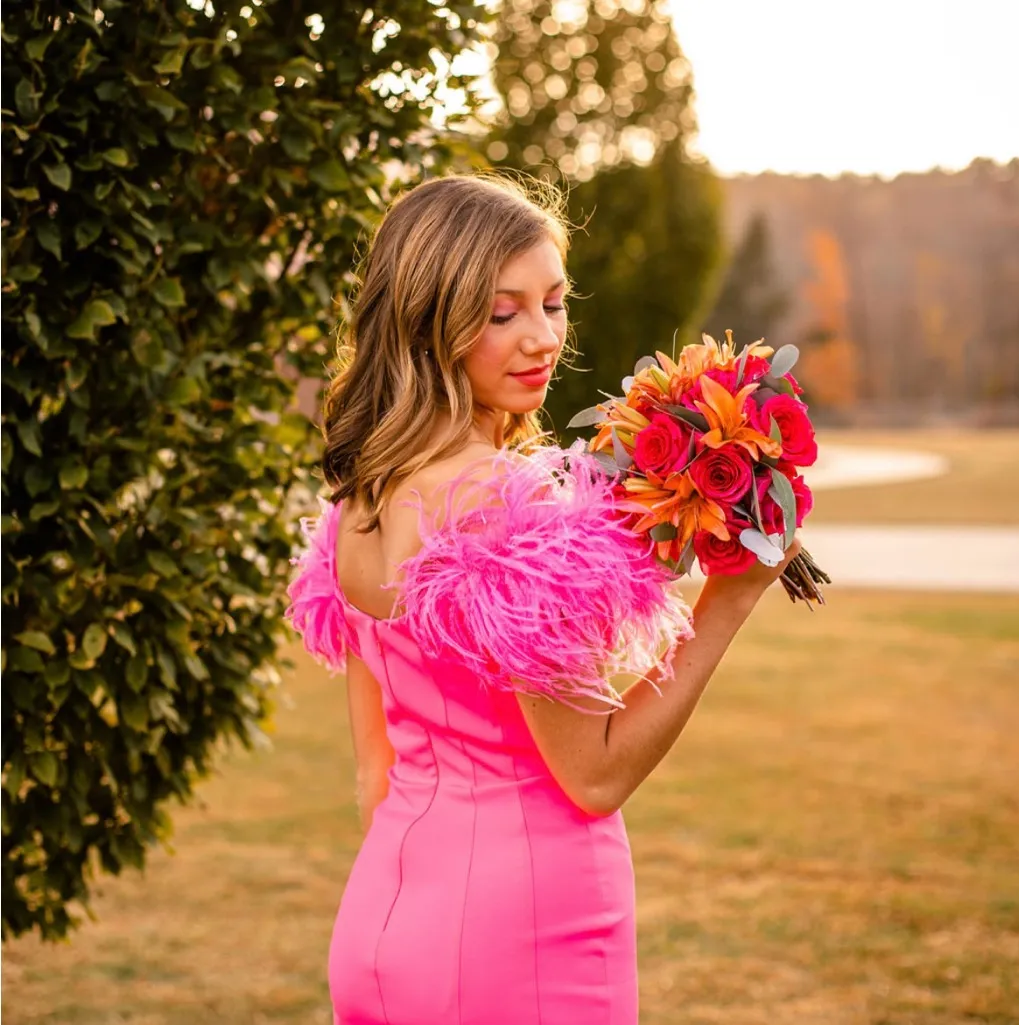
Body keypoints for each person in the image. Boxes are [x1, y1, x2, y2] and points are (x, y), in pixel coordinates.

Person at [285, 173, 800, 1025]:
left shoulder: (359, 500)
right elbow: (593, 775)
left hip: (384, 922)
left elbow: (377, 771)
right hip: (520, 930)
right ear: (427, 319)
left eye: (553, 304)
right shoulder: (498, 500)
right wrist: (727, 602)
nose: (542, 338)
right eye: (501, 313)